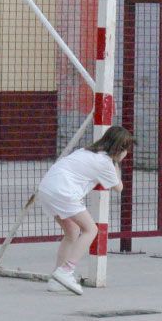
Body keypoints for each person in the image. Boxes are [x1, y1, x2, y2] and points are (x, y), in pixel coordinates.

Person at [36, 125, 134, 295]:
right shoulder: (106, 163)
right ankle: (66, 271)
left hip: (46, 189)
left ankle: (56, 279)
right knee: (91, 229)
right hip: (63, 192)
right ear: (120, 149)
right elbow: (119, 187)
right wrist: (117, 162)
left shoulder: (86, 151)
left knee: (72, 231)